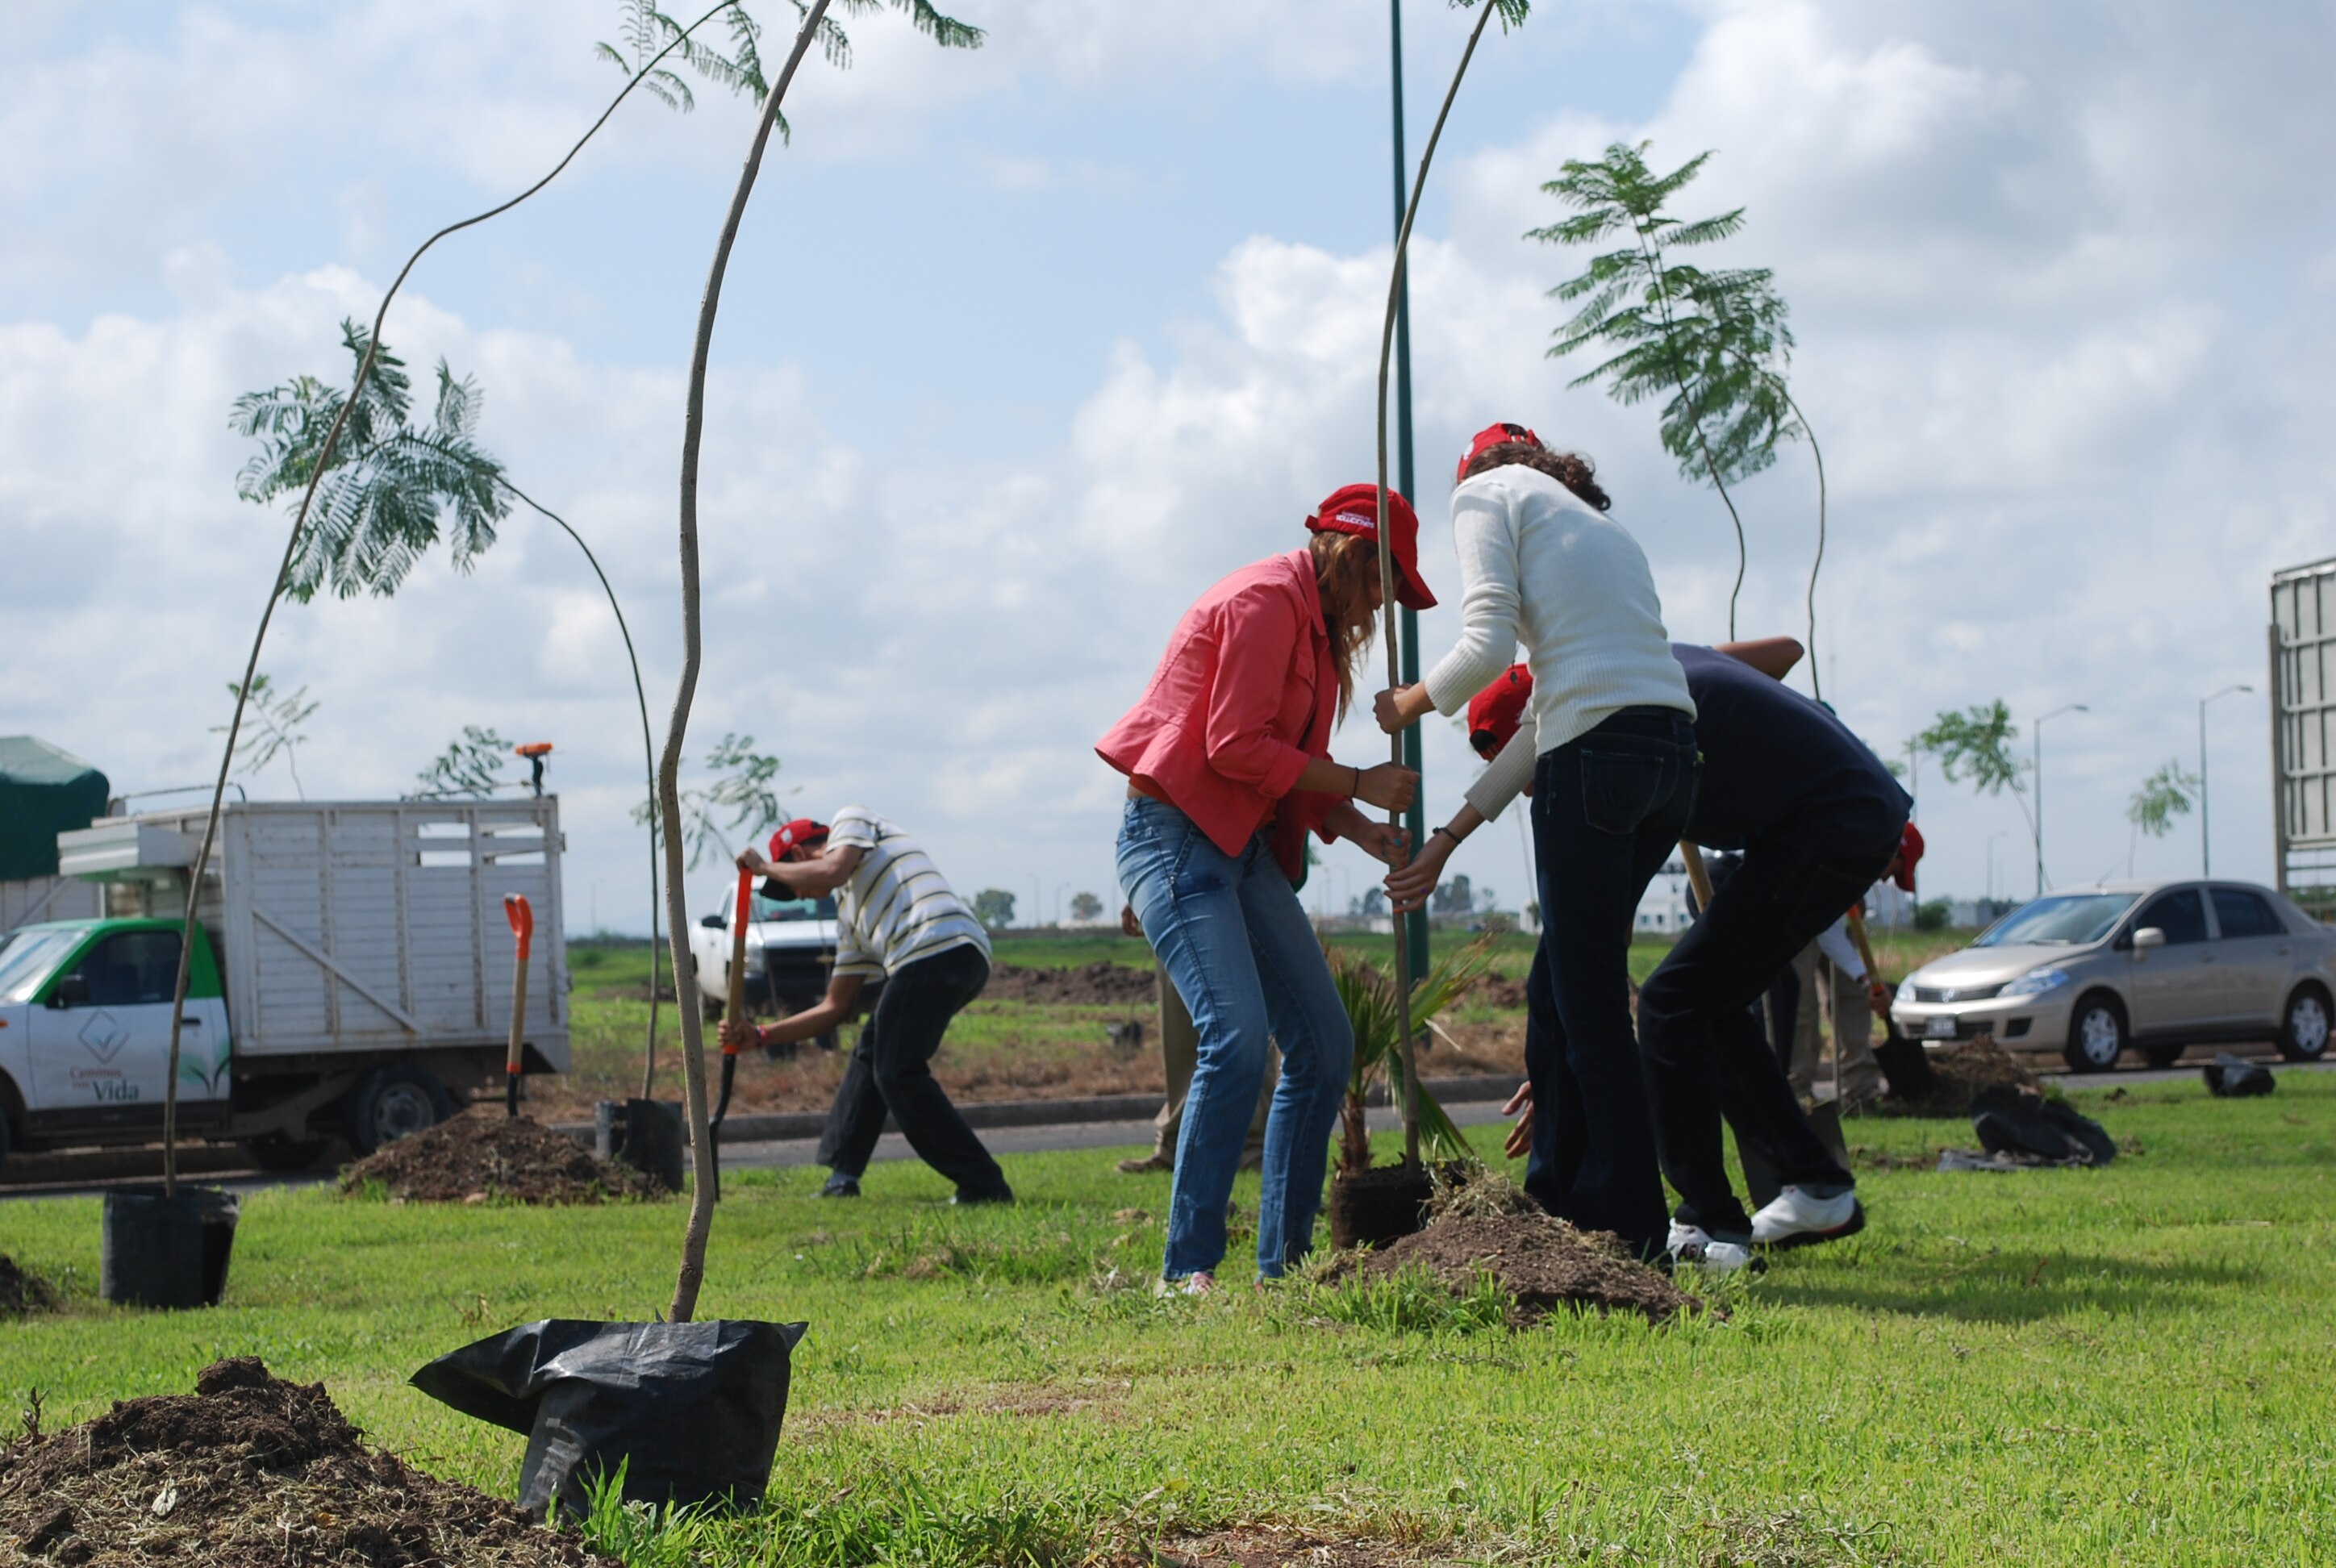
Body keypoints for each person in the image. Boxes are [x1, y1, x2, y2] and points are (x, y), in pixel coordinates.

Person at [1397, 641, 1919, 1268]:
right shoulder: (1646, 672)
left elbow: (1786, 650)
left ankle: (1709, 1223)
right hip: (1834, 818)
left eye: (1538, 772)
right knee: (1707, 1005)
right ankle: (1814, 1183)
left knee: (1675, 1004)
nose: (1541, 794)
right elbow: (1601, 933)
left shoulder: (1628, 728)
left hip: (1833, 824)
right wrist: (1576, 1046)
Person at [1375, 423, 1696, 1260]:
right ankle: (1558, 1195)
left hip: (1596, 760)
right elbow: (1550, 716)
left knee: (1585, 1003)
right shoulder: (1597, 527)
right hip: (1667, 759)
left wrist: (1407, 703)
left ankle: (1627, 1227)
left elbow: (1484, 650)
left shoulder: (1484, 495)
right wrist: (1448, 837)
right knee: (1559, 984)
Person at [1099, 483, 1423, 1293]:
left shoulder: (1311, 627)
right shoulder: (1264, 602)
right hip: (1174, 840)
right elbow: (1234, 745)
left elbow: (1283, 773)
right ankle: (1188, 1273)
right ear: (1351, 558)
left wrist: (1358, 825)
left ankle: (1286, 1267)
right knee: (1237, 1039)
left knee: (1323, 1042)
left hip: (1240, 851)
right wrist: (1361, 779)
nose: (1378, 607)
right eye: (1383, 584)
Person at [724, 811, 1013, 1204]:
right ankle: (843, 1176)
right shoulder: (850, 917)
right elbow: (834, 1007)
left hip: (937, 945)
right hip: (937, 960)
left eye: (793, 885)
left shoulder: (852, 822)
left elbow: (831, 871)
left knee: (896, 1071)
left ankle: (983, 1185)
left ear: (797, 854)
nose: (802, 897)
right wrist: (759, 1036)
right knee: (872, 1050)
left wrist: (762, 868)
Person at [1115, 903, 1274, 1176]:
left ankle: (1252, 1145)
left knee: (1247, 1024)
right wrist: (1138, 896)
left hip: (1242, 887)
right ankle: (1176, 1145)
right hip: (1174, 895)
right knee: (1179, 1031)